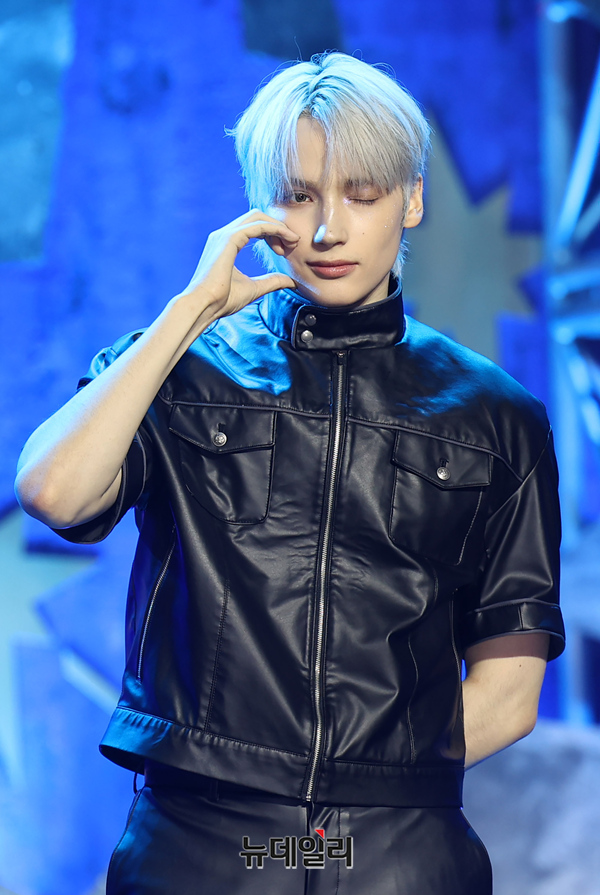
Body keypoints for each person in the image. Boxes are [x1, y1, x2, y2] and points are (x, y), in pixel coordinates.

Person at [15, 52, 564, 895]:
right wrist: (190, 311)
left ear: (413, 200)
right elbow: (53, 491)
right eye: (299, 195)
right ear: (258, 205)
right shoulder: (182, 369)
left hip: (398, 851)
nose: (328, 230)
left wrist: (356, 784)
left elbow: (511, 689)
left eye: (363, 194)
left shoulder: (496, 417)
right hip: (201, 842)